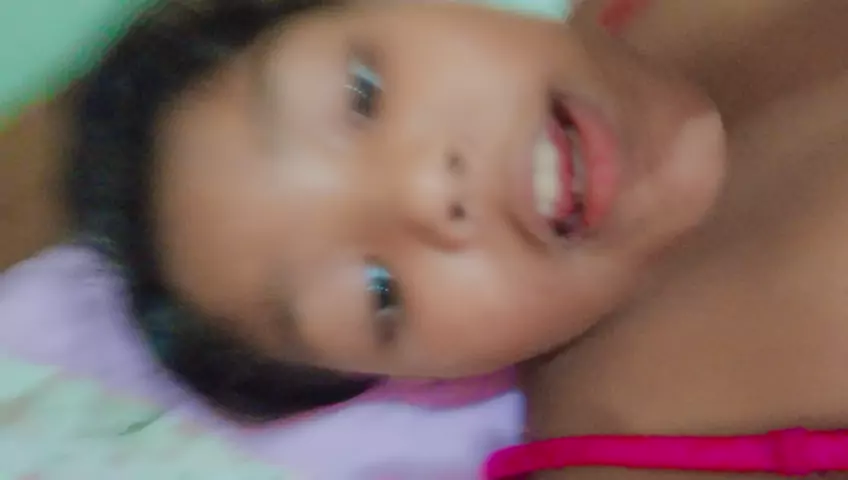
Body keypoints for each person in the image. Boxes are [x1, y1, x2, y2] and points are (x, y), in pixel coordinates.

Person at [63, 0, 848, 477]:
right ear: (430, 377)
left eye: (363, 94)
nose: (427, 191)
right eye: (379, 292)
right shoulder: (648, 444)